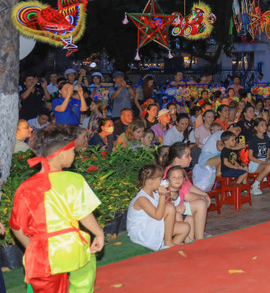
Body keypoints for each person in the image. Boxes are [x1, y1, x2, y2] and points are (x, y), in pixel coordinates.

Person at [10, 124, 104, 291]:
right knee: (84, 275)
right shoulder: (74, 180)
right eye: (73, 151)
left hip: (42, 253)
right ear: (61, 154)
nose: (74, 155)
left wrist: (31, 246)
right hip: (72, 247)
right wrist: (99, 233)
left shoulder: (24, 188)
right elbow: (84, 213)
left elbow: (16, 226)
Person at [127, 164, 189, 250]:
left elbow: (164, 209)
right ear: (150, 181)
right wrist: (162, 196)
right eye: (159, 179)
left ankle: (167, 249)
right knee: (170, 208)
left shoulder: (154, 193)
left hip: (152, 225)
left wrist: (168, 199)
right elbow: (158, 216)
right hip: (141, 232)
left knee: (185, 227)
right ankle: (168, 243)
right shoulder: (141, 199)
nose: (162, 181)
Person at [163, 144, 209, 240]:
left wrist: (204, 194)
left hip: (179, 204)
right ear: (177, 159)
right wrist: (203, 198)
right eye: (187, 155)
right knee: (200, 204)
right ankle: (200, 237)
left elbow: (190, 187)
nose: (191, 158)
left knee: (201, 202)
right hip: (173, 208)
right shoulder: (172, 173)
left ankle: (198, 234)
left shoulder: (179, 170)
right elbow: (187, 196)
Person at [247, 118, 270, 194]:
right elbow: (250, 157)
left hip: (264, 162)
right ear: (256, 128)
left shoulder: (266, 138)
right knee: (269, 167)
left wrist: (267, 161)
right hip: (255, 163)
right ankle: (254, 186)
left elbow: (268, 153)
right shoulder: (252, 139)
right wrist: (263, 162)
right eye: (262, 125)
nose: (264, 127)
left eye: (265, 125)